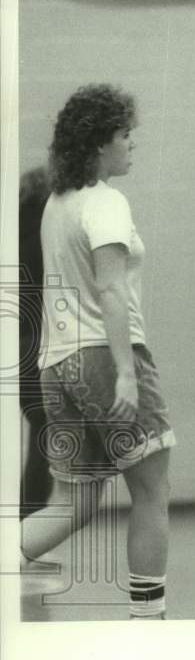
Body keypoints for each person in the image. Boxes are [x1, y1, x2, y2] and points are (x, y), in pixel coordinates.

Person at [20, 84, 175, 619]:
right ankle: (148, 620)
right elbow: (110, 290)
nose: (133, 143)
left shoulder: (57, 203)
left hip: (54, 364)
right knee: (153, 490)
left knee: (72, 503)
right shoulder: (107, 201)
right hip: (103, 358)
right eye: (125, 134)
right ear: (100, 142)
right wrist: (127, 375)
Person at [19, 167, 54, 520]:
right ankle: (27, 523)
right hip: (38, 345)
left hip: (12, 343)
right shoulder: (48, 235)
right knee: (42, 439)